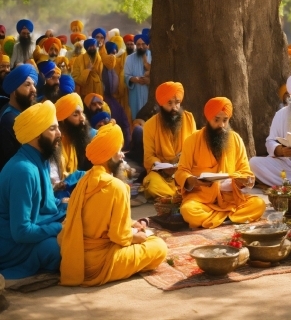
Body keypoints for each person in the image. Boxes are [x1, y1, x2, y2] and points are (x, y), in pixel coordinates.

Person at [59, 122, 167, 286]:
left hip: (75, 257)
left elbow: (98, 218)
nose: (122, 155)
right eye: (118, 150)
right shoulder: (117, 187)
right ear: (108, 155)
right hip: (99, 263)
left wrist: (132, 223)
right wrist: (137, 236)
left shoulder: (85, 180)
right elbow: (120, 237)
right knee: (159, 247)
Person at [0, 101, 67, 279]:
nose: (59, 134)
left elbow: (48, 206)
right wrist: (59, 228)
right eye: (52, 129)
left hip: (33, 230)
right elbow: (21, 232)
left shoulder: (40, 160)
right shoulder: (23, 170)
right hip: (10, 245)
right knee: (57, 249)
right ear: (36, 135)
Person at [175, 97, 265, 229]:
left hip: (231, 199)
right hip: (202, 199)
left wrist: (243, 181)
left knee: (259, 204)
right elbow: (181, 171)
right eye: (216, 120)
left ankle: (217, 219)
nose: (221, 125)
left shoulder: (235, 139)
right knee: (188, 210)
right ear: (208, 119)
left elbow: (245, 171)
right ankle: (229, 218)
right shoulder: (192, 140)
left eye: (225, 120)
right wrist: (193, 180)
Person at [142, 81, 196, 200]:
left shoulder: (189, 118)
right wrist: (162, 166)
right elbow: (148, 157)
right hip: (162, 175)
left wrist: (184, 157)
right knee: (151, 184)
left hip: (184, 171)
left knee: (200, 178)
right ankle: (178, 195)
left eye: (177, 103)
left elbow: (195, 148)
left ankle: (176, 195)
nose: (174, 108)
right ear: (161, 104)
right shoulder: (150, 125)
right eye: (169, 103)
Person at [0, 65, 38, 170]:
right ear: (14, 90)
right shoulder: (10, 120)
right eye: (27, 85)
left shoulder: (22, 113)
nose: (34, 89)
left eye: (34, 84)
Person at [55, 93, 93, 173]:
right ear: (63, 120)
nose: (82, 118)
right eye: (76, 115)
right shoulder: (56, 144)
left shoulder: (73, 138)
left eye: (82, 113)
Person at [124, 33, 151, 120]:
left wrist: (149, 81)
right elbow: (125, 76)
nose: (141, 47)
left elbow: (158, 76)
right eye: (138, 44)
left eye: (143, 44)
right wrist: (134, 79)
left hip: (148, 94)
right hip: (135, 94)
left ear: (147, 45)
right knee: (136, 118)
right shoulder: (129, 58)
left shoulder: (152, 56)